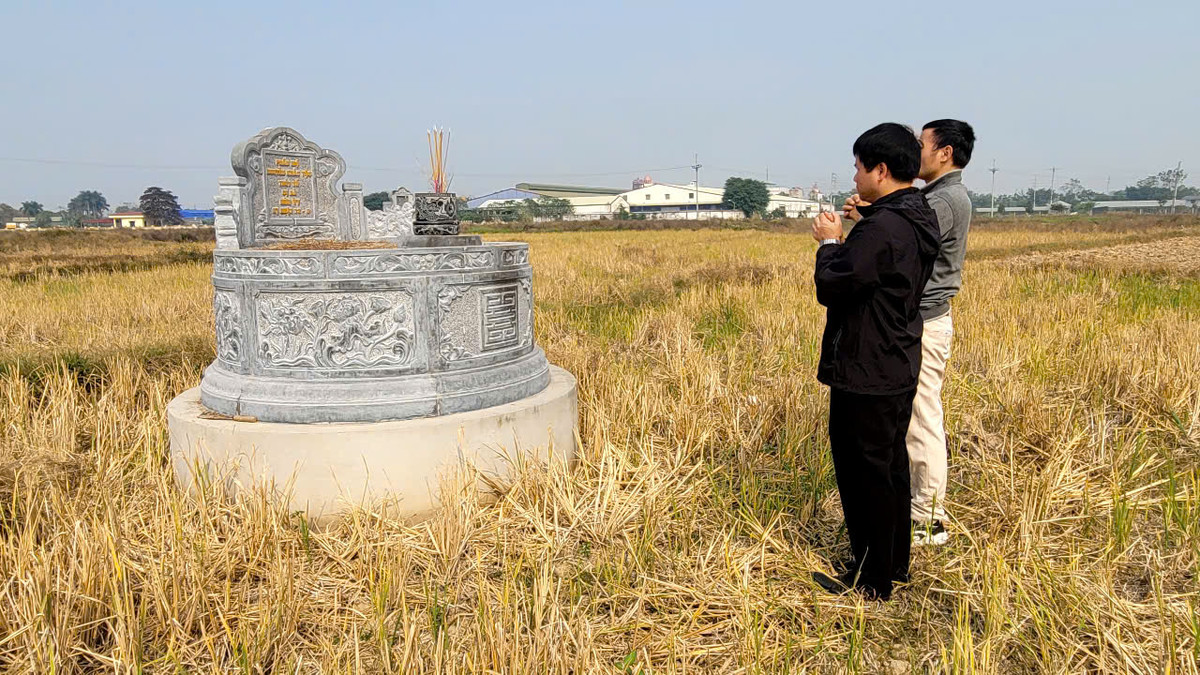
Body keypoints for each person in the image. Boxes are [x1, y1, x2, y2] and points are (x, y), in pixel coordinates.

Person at [810, 123, 941, 600]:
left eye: (858, 167)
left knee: (862, 473)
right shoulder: (916, 213)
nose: (855, 176)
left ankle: (869, 581)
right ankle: (892, 565)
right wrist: (863, 220)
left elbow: (835, 284)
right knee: (889, 469)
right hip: (897, 359)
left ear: (880, 170)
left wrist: (831, 242)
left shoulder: (882, 229)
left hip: (867, 367)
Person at [844, 120, 975, 546]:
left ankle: (928, 518)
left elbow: (902, 242)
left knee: (921, 418)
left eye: (922, 144)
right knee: (912, 417)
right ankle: (912, 513)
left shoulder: (945, 200)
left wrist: (866, 221)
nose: (914, 151)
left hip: (923, 320)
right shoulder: (934, 196)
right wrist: (869, 214)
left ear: (945, 153)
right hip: (917, 317)